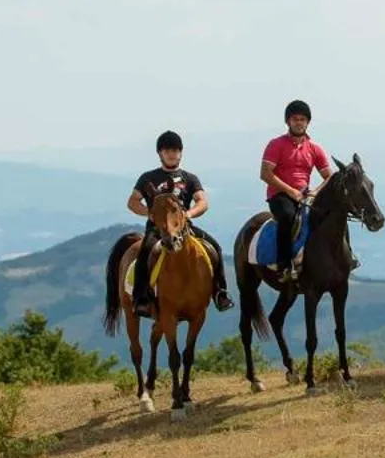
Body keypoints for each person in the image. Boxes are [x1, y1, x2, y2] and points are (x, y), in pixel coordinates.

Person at [128, 130, 235, 315]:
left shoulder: (190, 178)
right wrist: (150, 213)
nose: (172, 154)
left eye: (176, 150)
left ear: (181, 153)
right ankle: (142, 298)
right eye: (167, 150)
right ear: (160, 153)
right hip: (157, 229)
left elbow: (202, 201)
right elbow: (133, 202)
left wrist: (189, 214)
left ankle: (220, 292)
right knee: (145, 252)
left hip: (184, 228)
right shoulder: (148, 178)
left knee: (215, 247)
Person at [258, 99, 341, 280]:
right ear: (288, 121)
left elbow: (330, 176)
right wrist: (290, 191)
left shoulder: (314, 149)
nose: (299, 122)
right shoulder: (276, 144)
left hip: (304, 195)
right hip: (279, 195)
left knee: (332, 216)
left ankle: (342, 258)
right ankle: (284, 265)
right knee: (287, 217)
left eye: (303, 119)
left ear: (308, 122)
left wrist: (317, 192)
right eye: (295, 119)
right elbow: (265, 174)